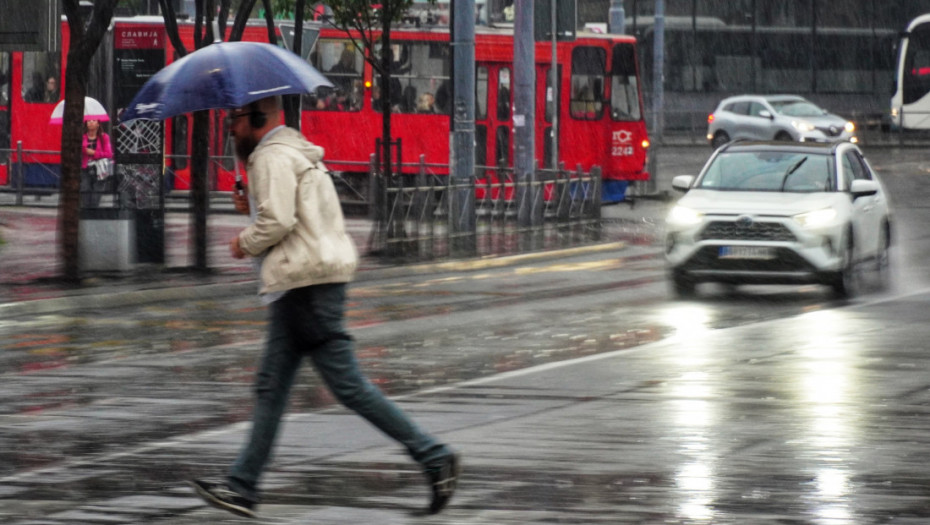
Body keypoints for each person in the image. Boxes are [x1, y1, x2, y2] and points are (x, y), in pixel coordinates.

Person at [189, 96, 461, 519]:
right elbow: (292, 216)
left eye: (236, 119)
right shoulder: (297, 153)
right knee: (271, 388)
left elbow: (277, 222)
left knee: (346, 386)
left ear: (258, 118)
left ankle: (434, 456)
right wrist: (252, 208)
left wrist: (243, 241)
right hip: (309, 283)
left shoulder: (272, 157)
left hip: (306, 287)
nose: (231, 128)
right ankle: (242, 487)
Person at [80, 119, 113, 208]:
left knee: (97, 192)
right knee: (85, 190)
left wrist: (94, 153)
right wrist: (84, 150)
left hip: (99, 169)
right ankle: (86, 212)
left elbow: (108, 153)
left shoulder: (104, 137)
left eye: (93, 121)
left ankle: (94, 211)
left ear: (98, 124)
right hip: (85, 168)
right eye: (88, 121)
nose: (90, 122)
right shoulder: (82, 137)